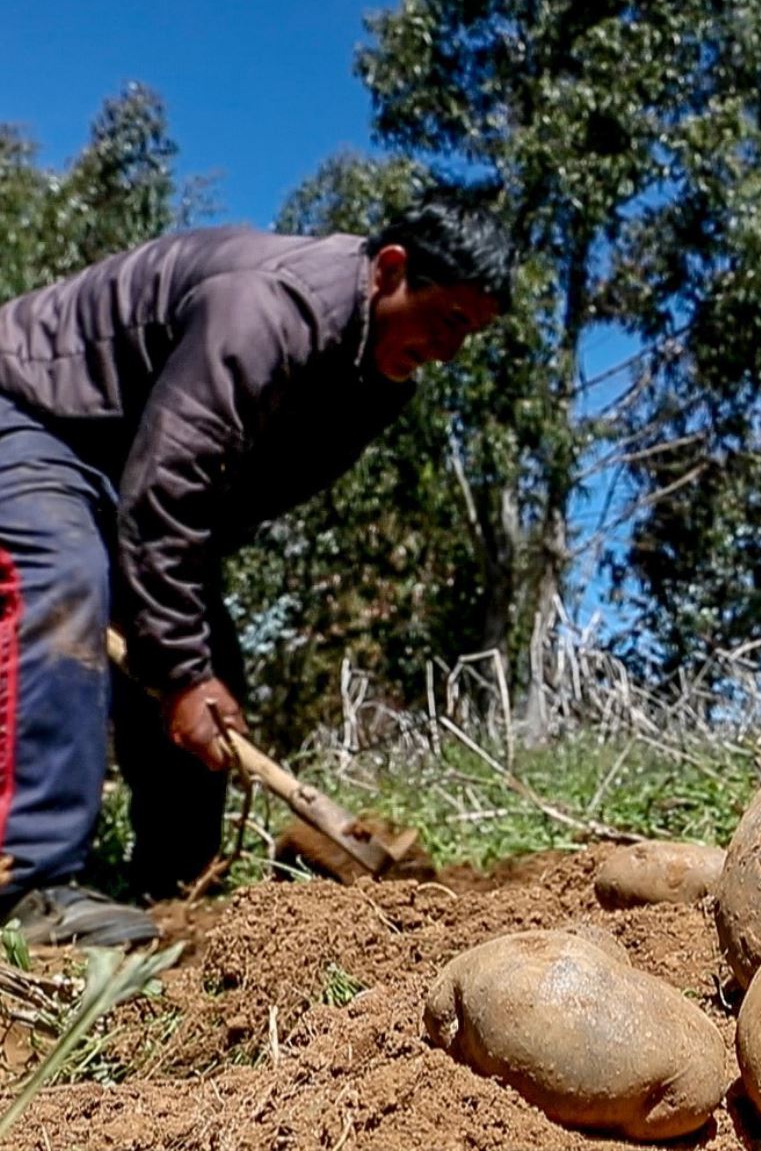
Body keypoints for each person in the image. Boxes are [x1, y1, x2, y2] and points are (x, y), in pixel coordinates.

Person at [0, 199, 513, 944]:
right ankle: (27, 882)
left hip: (126, 474)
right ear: (392, 269)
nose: (450, 351)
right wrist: (175, 661)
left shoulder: (372, 378)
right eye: (449, 321)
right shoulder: (268, 307)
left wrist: (177, 651)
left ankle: (176, 886)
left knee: (206, 672)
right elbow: (172, 482)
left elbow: (221, 501)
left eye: (469, 335)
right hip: (30, 413)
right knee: (63, 578)